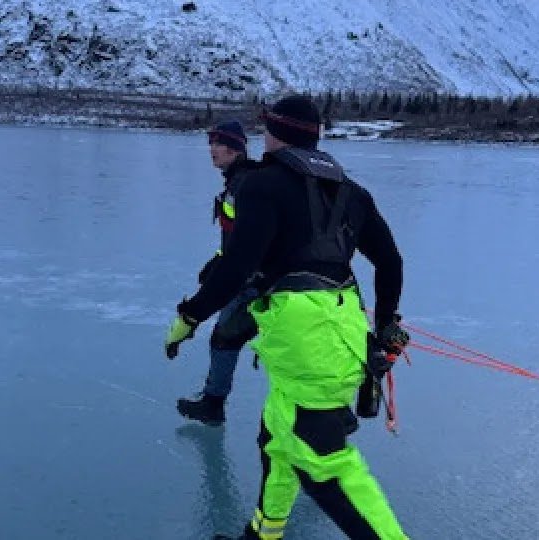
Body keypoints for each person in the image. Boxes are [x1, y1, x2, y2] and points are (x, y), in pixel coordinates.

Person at [164, 94, 410, 539]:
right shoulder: (352, 192)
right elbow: (390, 261)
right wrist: (388, 321)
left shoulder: (262, 185)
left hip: (305, 346)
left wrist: (191, 314)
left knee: (326, 468)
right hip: (341, 334)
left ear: (275, 134)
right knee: (277, 441)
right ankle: (262, 535)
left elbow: (235, 270)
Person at [177, 120, 261, 426]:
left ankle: (213, 405)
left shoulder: (244, 184)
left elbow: (253, 239)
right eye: (210, 142)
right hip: (244, 274)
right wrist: (218, 261)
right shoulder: (237, 182)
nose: (211, 149)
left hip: (254, 281)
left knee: (225, 337)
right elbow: (237, 238)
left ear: (235, 148)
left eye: (217, 143)